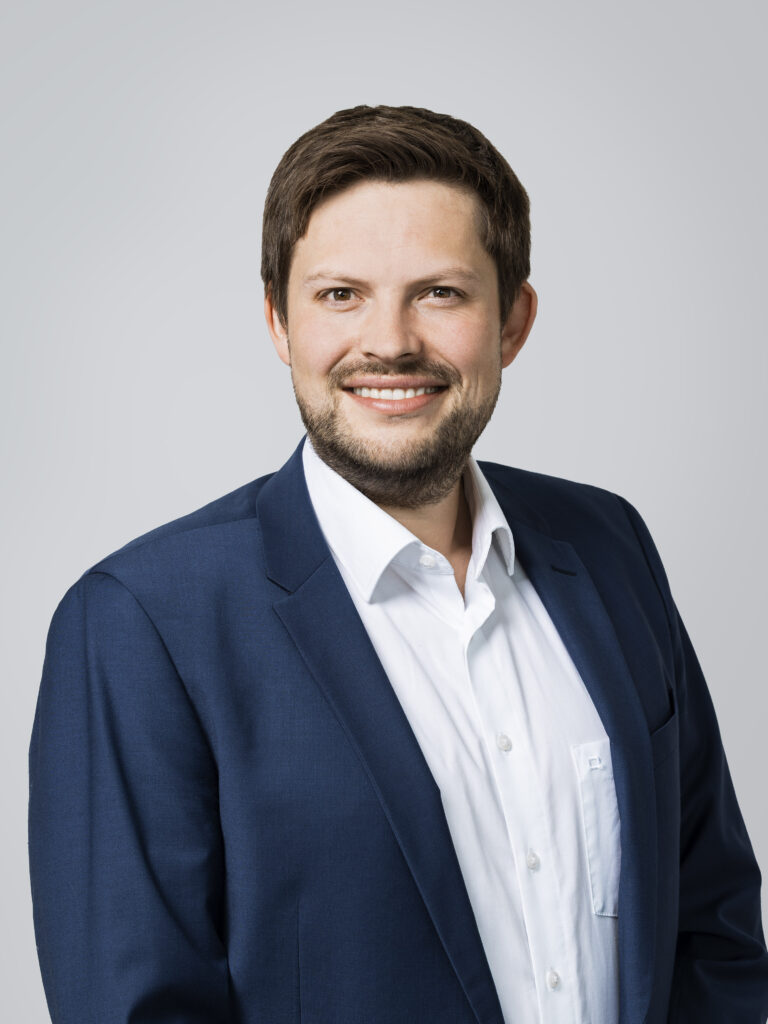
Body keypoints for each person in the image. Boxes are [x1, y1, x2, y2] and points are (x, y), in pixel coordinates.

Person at [29, 104, 768, 1024]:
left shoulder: (609, 547)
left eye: (441, 293)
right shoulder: (142, 621)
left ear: (513, 322)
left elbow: (712, 925)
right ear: (278, 321)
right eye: (341, 294)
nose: (390, 342)